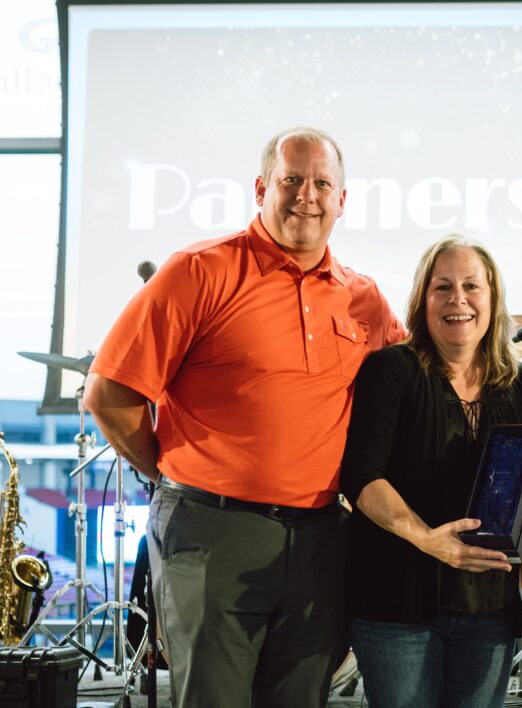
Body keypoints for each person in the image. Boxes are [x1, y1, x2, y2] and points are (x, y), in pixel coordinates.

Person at [84, 127, 405, 707]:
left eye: (321, 183)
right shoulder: (198, 272)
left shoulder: (364, 298)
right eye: (291, 180)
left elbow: (414, 389)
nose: (306, 194)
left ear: (342, 200)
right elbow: (109, 394)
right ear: (262, 188)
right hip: (213, 532)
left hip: (321, 539)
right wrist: (169, 473)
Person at [339, 236, 522, 708]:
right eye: (443, 287)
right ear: (422, 300)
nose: (458, 300)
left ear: (493, 298)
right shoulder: (391, 370)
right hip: (396, 601)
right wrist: (429, 539)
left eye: (472, 286)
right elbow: (362, 476)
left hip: (488, 605)